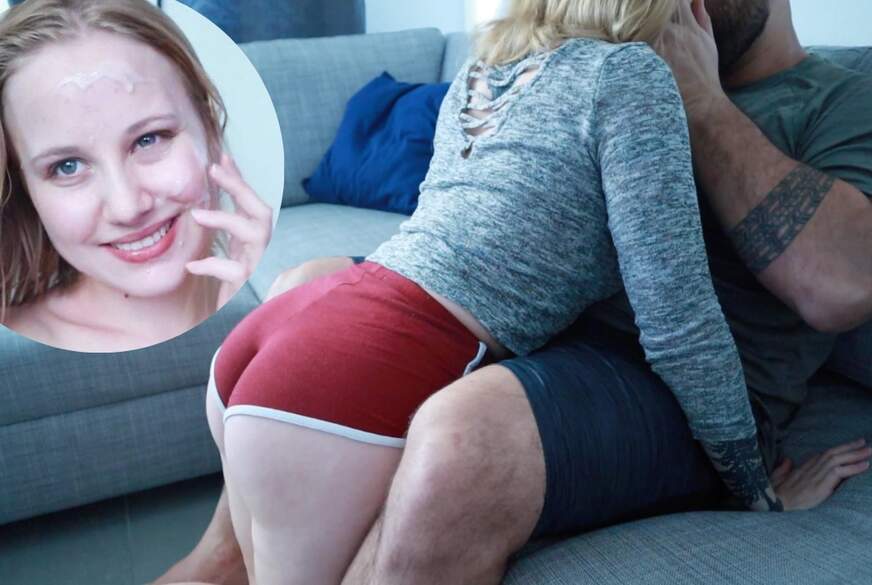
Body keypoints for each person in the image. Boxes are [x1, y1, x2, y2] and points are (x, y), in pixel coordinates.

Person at [156, 1, 872, 584]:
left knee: (461, 429)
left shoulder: (838, 97)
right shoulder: (607, 72)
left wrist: (703, 103)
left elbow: (835, 287)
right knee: (307, 282)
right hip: (551, 329)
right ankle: (224, 560)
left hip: (665, 374)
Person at [0, 0, 272, 352]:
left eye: (149, 139)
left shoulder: (287, 297)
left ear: (209, 127)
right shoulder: (17, 358)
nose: (127, 207)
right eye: (68, 166)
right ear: (26, 188)